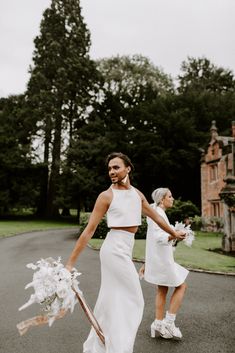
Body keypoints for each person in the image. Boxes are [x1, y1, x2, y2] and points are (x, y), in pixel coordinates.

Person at [66, 153, 185, 353]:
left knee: (111, 300)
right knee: (135, 299)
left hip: (125, 249)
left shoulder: (137, 195)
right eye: (110, 169)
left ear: (128, 168)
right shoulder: (106, 196)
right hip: (113, 250)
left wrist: (174, 233)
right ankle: (121, 347)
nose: (112, 171)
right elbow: (89, 230)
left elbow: (156, 216)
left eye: (116, 167)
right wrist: (70, 263)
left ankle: (104, 344)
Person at [139, 187, 189, 340]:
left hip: (158, 258)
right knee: (181, 286)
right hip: (162, 260)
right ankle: (169, 322)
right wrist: (175, 235)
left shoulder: (156, 213)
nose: (172, 199)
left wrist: (147, 263)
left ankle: (157, 324)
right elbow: (159, 237)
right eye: (170, 196)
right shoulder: (158, 214)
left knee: (162, 290)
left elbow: (154, 237)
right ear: (162, 199)